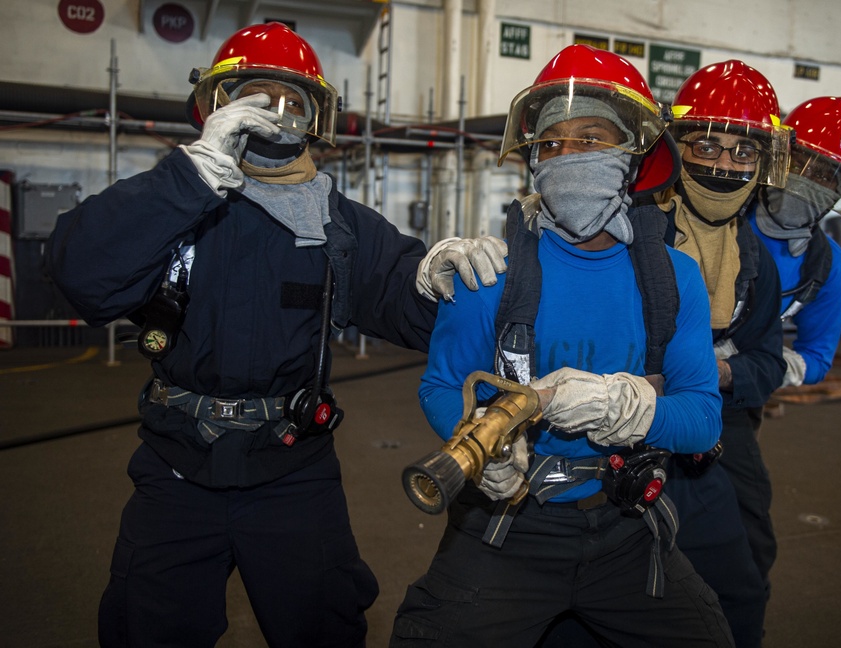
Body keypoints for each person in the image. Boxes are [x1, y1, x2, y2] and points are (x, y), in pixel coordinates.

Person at [46, 22, 505, 648]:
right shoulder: (173, 201)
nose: (273, 116)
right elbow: (80, 276)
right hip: (176, 465)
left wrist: (438, 281)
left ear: (316, 119)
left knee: (325, 624)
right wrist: (190, 178)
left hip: (293, 471)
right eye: (252, 98)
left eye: (292, 101)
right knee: (145, 626)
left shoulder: (337, 223)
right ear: (215, 108)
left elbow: (409, 303)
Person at [390, 44, 734, 648]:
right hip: (508, 527)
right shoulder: (486, 275)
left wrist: (628, 408)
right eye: (552, 144)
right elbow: (441, 383)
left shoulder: (673, 279)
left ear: (632, 155)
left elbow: (703, 420)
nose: (568, 155)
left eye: (592, 138)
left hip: (626, 524)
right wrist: (483, 443)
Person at [651, 60, 789, 608]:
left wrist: (721, 372)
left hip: (725, 423)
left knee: (746, 567)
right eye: (707, 145)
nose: (725, 164)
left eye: (743, 151)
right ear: (677, 145)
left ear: (762, 162)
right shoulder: (634, 232)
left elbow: (770, 361)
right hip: (633, 419)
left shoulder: (757, 264)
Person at [750, 96, 841, 387]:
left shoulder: (826, 266)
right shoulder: (721, 217)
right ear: (779, 157)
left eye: (823, 175)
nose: (806, 180)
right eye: (799, 164)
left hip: (738, 396)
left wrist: (756, 368)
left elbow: (816, 358)